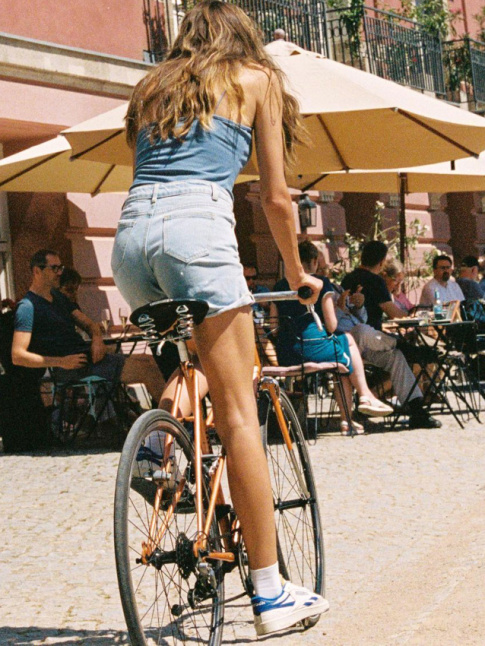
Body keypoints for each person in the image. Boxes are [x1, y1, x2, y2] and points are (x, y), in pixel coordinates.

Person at [111, 1, 327, 634]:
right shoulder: (255, 78)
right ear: (243, 36)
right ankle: (269, 591)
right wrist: (296, 272)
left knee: (194, 365)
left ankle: (161, 440)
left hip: (130, 242)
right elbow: (276, 198)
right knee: (239, 410)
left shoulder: (153, 87)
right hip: (197, 232)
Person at [271, 240, 393, 436]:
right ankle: (361, 400)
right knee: (347, 343)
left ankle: (354, 412)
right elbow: (332, 325)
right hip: (313, 349)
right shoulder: (321, 284)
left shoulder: (278, 286)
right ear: (313, 261)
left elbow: (274, 326)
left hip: (287, 353)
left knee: (341, 356)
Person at [332, 282, 441, 430]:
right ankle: (403, 346)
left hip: (364, 344)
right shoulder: (318, 289)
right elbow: (328, 322)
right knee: (361, 330)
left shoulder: (337, 288)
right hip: (342, 342)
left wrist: (358, 306)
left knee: (395, 356)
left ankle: (416, 410)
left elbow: (361, 318)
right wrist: (337, 308)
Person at [12, 249, 125, 386]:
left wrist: (97, 339)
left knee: (149, 361)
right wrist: (61, 361)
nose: (59, 273)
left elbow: (89, 324)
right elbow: (17, 356)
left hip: (87, 359)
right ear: (37, 271)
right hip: (70, 371)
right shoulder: (28, 307)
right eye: (54, 268)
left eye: (60, 268)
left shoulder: (58, 297)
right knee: (147, 370)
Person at [341, 240, 407, 330]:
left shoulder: (347, 278)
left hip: (349, 332)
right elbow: (395, 314)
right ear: (381, 262)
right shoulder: (376, 281)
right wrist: (414, 317)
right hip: (371, 333)